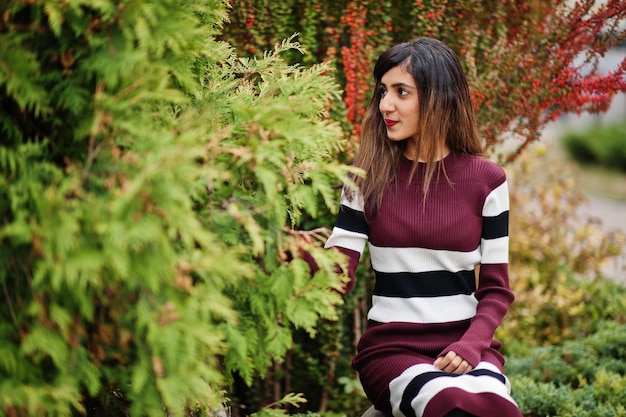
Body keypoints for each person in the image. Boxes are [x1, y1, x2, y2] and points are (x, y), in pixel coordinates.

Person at [318, 38, 524, 417]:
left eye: (401, 92)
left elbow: (496, 289)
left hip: (465, 347)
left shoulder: (487, 182)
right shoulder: (365, 177)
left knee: (499, 409)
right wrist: (291, 254)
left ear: (438, 98)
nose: (385, 105)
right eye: (382, 91)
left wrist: (471, 345)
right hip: (392, 349)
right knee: (447, 403)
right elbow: (337, 272)